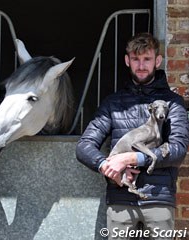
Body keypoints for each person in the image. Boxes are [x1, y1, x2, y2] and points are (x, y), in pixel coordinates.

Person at [76, 32, 189, 239]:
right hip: (120, 200)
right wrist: (108, 167)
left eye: (147, 59)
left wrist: (131, 158)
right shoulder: (113, 103)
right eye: (136, 59)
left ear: (157, 60)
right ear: (127, 61)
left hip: (158, 199)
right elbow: (84, 146)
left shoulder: (173, 103)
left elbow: (178, 151)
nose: (141, 65)